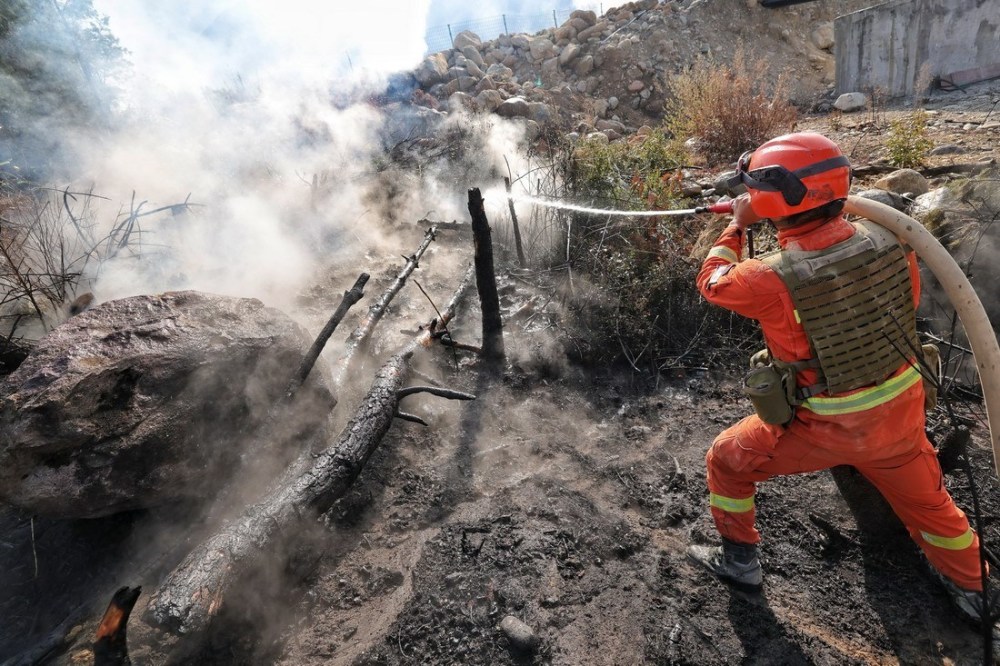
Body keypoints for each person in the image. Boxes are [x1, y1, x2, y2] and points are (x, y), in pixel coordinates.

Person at [687, 131, 995, 629]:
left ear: (774, 195)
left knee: (727, 459)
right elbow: (907, 301)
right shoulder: (894, 237)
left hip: (827, 429)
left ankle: (740, 564)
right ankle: (975, 590)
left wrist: (737, 229)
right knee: (937, 511)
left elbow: (712, 282)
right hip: (903, 418)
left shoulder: (765, 278)